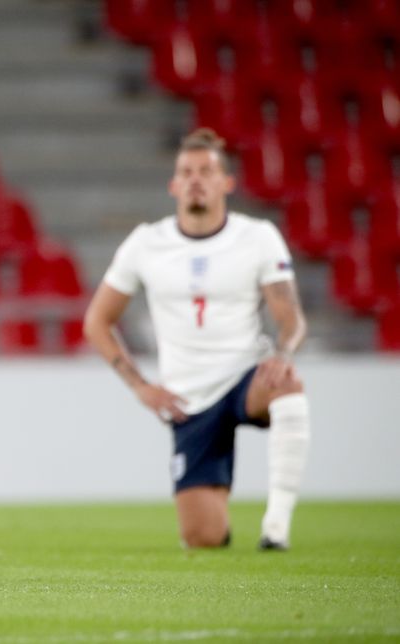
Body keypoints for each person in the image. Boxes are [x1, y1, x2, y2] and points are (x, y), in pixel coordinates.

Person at [84, 128, 311, 550]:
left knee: (287, 384)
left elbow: (291, 318)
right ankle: (218, 519)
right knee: (202, 537)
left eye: (206, 171)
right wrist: (140, 386)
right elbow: (97, 321)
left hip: (245, 376)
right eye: (186, 171)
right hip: (188, 400)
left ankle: (276, 527)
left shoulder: (257, 236)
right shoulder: (146, 244)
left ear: (226, 182)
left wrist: (283, 353)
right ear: (173, 184)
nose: (195, 179)